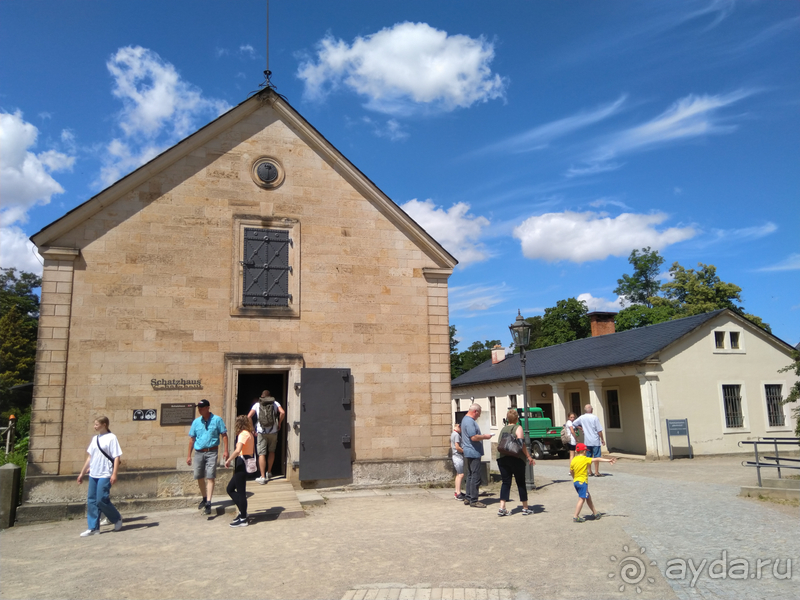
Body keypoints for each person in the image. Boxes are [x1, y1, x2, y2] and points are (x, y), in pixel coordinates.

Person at [76, 416, 123, 537]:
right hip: (94, 473)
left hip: (105, 473)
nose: (94, 426)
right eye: (94, 424)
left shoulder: (112, 438)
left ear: (104, 425)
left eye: (97, 424)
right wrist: (82, 473)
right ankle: (93, 528)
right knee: (91, 500)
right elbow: (90, 457)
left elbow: (116, 456)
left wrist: (114, 474)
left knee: (101, 499)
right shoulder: (95, 439)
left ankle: (116, 518)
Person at [187, 399, 229, 515]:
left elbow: (224, 435)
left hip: (212, 451)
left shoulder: (217, 420)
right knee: (199, 476)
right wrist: (188, 456)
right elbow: (192, 439)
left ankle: (209, 502)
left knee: (210, 476)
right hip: (199, 452)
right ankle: (204, 498)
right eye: (199, 408)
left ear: (207, 408)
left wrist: (226, 451)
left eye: (202, 407)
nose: (199, 410)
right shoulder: (196, 422)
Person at [496, 409, 536, 516]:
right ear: (517, 418)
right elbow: (521, 444)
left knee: (506, 482)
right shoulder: (518, 428)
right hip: (516, 458)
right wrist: (528, 456)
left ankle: (502, 507)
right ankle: (525, 507)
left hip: (502, 458)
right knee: (520, 482)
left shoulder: (503, 429)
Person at [570, 442, 617, 522]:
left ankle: (595, 513)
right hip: (583, 482)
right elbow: (597, 459)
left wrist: (575, 478)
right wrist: (608, 460)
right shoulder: (585, 459)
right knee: (582, 499)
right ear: (584, 451)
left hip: (576, 482)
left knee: (587, 497)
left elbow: (571, 471)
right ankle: (576, 516)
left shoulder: (573, 460)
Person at [247, 390, 286, 483]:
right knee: (272, 451)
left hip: (261, 432)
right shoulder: (275, 403)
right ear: (270, 396)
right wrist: (279, 423)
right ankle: (269, 472)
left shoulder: (257, 404)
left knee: (261, 453)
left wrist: (252, 429)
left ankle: (263, 477)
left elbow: (248, 416)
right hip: (274, 431)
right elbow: (283, 412)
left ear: (261, 396)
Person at [224, 415, 255, 528]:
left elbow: (238, 450)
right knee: (230, 489)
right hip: (246, 461)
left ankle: (243, 517)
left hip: (242, 463)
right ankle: (243, 512)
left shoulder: (242, 435)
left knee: (241, 492)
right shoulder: (250, 434)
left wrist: (229, 460)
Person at [460, 403, 492, 508]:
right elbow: (473, 437)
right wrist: (485, 437)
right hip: (473, 451)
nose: (479, 416)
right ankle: (473, 499)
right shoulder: (469, 422)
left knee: (470, 475)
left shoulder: (465, 420)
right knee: (475, 476)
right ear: (475, 412)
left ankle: (468, 497)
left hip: (468, 451)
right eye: (479, 414)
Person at [571, 404, 606, 476]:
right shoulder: (595, 418)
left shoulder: (582, 417)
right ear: (592, 410)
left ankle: (590, 471)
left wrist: (580, 428)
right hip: (595, 440)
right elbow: (599, 430)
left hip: (587, 441)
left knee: (588, 457)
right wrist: (602, 439)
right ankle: (596, 472)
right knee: (597, 456)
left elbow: (574, 423)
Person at [450, 423, 465, 500]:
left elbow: (451, 446)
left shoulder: (453, 434)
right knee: (461, 474)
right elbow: (457, 446)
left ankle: (457, 491)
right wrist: (464, 451)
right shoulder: (456, 435)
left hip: (455, 456)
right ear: (458, 426)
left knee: (458, 474)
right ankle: (458, 493)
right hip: (458, 456)